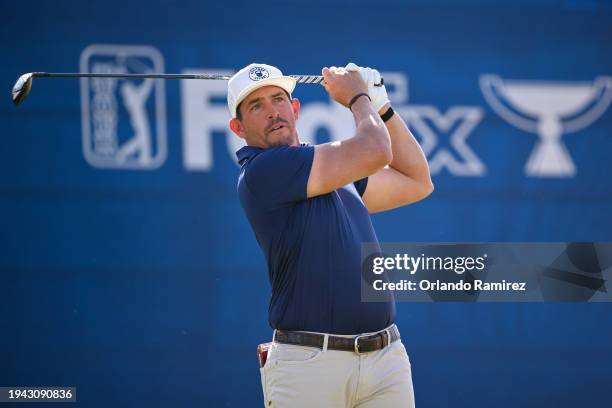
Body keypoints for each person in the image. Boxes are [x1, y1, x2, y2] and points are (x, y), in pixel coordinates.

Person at [227, 62, 433, 408]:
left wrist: (382, 107)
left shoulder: (333, 169)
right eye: (256, 106)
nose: (272, 112)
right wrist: (357, 98)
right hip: (309, 366)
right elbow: (376, 151)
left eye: (278, 99)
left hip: (385, 359)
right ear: (238, 127)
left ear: (295, 109)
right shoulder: (263, 171)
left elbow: (417, 181)